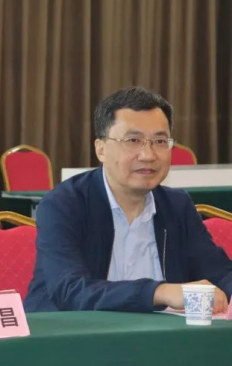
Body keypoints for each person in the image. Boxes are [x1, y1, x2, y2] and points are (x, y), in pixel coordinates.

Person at [24, 86, 232, 313]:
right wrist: (159, 292)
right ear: (101, 149)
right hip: (74, 332)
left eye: (160, 141)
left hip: (164, 334)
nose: (148, 155)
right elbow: (71, 291)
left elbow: (220, 274)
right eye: (133, 140)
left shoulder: (176, 206)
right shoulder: (64, 204)